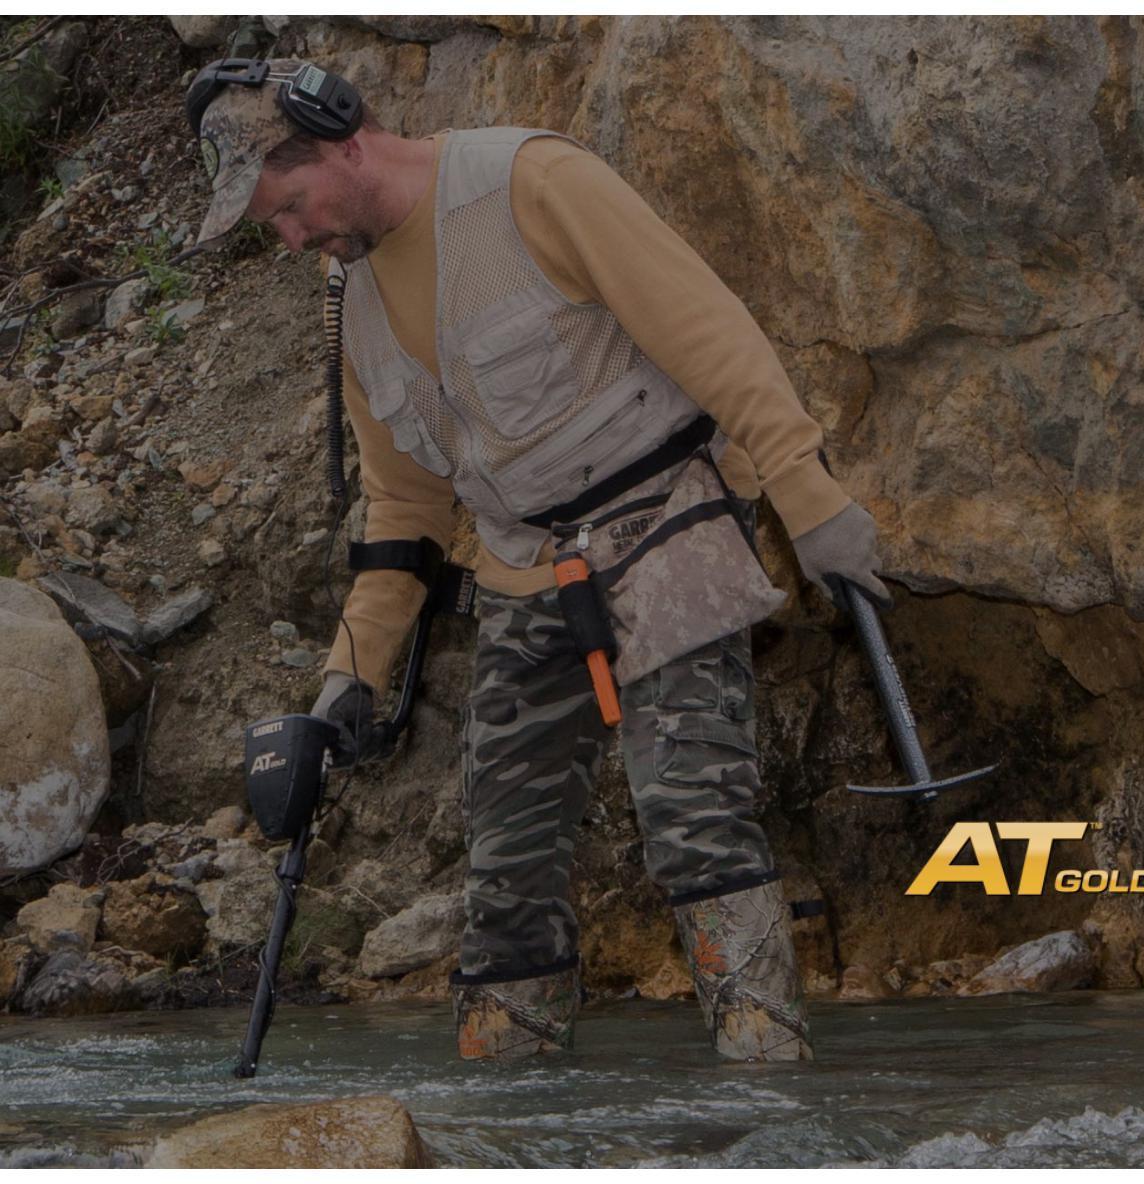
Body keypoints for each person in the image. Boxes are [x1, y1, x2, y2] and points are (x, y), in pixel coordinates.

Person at [187, 57, 889, 1064]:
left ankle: (764, 1080)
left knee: (692, 815)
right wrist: (347, 679)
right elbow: (402, 508)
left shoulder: (531, 184)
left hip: (663, 525)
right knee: (506, 862)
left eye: (290, 204)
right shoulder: (350, 298)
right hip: (522, 566)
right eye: (272, 226)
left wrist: (807, 496)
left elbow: (713, 337)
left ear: (346, 137)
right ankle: (508, 1112)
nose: (293, 236)